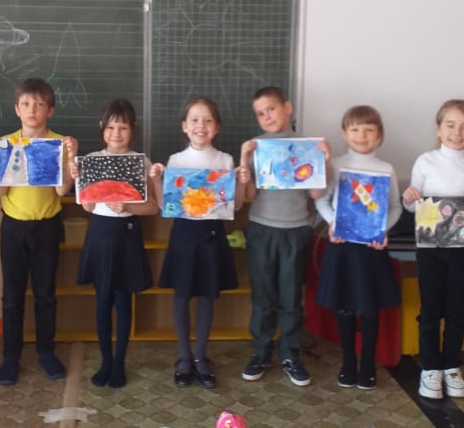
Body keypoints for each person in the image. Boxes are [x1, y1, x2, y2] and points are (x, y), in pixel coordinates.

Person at [0, 77, 78, 386]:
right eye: (25, 104)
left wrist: (72, 157)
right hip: (13, 228)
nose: (32, 110)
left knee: (46, 294)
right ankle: (11, 356)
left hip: (47, 226)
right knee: (12, 296)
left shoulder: (59, 143)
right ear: (16, 110)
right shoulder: (6, 143)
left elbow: (61, 190)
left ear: (50, 110)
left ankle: (46, 351)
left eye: (39, 104)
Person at [401, 100, 464, 400]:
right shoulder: (425, 161)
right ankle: (430, 367)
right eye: (450, 125)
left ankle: (452, 366)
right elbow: (413, 205)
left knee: (457, 310)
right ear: (438, 128)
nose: (457, 133)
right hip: (431, 248)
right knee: (430, 310)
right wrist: (409, 198)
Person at [149, 97, 247, 389]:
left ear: (217, 127)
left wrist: (241, 181)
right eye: (194, 120)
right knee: (181, 296)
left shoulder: (225, 161)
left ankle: (201, 357)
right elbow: (166, 204)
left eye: (207, 120)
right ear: (184, 126)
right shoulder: (176, 161)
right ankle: (183, 357)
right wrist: (157, 180)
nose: (200, 126)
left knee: (206, 296)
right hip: (183, 235)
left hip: (211, 236)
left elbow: (236, 205)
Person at [237, 87, 330, 386]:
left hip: (296, 230)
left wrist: (324, 160)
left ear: (287, 108)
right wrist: (244, 159)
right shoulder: (256, 147)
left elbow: (316, 194)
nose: (267, 117)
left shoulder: (307, 147)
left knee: (291, 298)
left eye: (271, 109)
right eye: (260, 113)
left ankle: (290, 354)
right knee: (263, 297)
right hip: (261, 229)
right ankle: (261, 352)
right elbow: (249, 194)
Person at [68, 99, 159, 388]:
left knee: (123, 300)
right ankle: (105, 360)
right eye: (110, 127)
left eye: (123, 127)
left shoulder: (141, 162)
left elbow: (153, 208)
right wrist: (81, 182)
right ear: (102, 128)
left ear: (133, 129)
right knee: (102, 300)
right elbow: (88, 207)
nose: (116, 133)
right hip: (100, 233)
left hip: (127, 234)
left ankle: (119, 361)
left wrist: (128, 207)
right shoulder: (92, 160)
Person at [314, 105, 401, 390]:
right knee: (345, 307)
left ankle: (368, 364)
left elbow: (395, 207)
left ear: (379, 135)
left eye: (368, 130)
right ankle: (348, 363)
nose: (361, 135)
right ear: (344, 133)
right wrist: (333, 224)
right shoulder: (335, 165)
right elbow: (321, 201)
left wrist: (382, 229)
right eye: (355, 129)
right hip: (342, 247)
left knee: (370, 308)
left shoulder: (386, 169)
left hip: (371, 248)